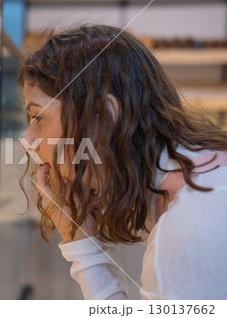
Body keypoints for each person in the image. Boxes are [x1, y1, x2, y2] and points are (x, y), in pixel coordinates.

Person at [18, 24, 227, 300]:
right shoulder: (195, 173)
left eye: (38, 118)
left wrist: (81, 245)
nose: (27, 141)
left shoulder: (189, 228)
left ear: (102, 117)